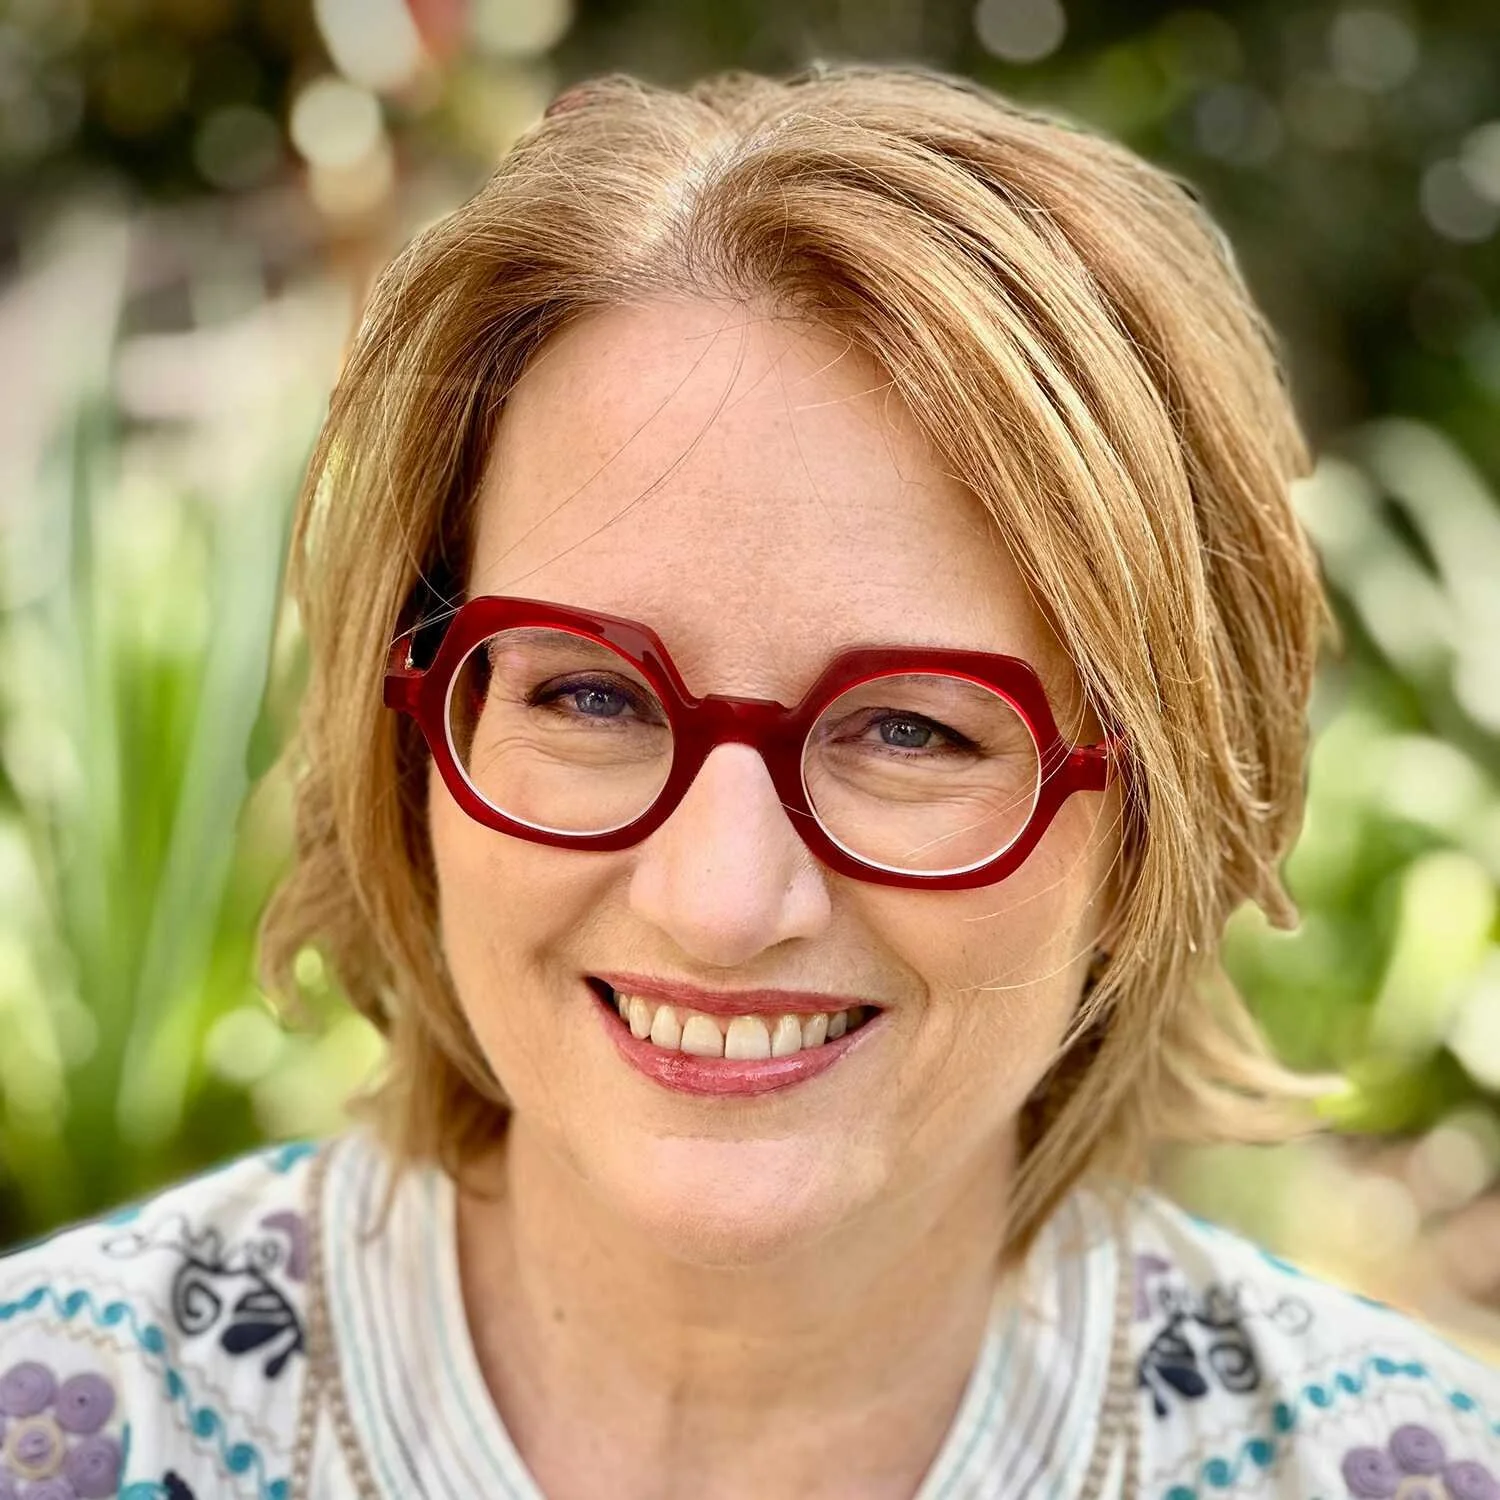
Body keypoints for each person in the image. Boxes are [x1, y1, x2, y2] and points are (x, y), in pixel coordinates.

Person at [0, 62, 1495, 1500]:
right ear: (415, 740)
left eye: (913, 731)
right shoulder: (61, 1418)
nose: (719, 902)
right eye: (589, 694)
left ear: (1151, 821)